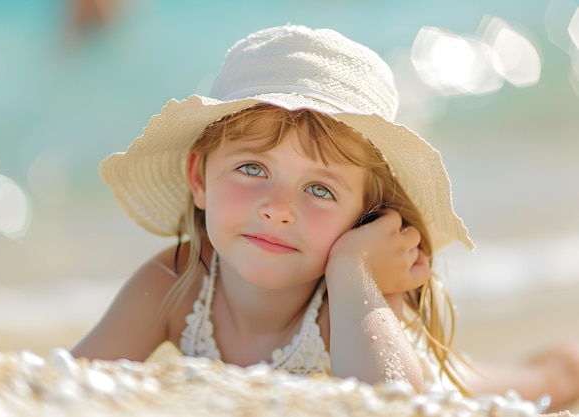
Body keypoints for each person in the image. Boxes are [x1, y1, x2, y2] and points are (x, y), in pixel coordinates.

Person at [71, 24, 579, 410]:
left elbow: (392, 401)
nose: (278, 207)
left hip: (437, 388)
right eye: (252, 168)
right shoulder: (175, 283)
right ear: (199, 178)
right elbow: (72, 381)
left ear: (364, 215)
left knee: (546, 384)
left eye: (319, 188)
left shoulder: (352, 298)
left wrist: (353, 267)